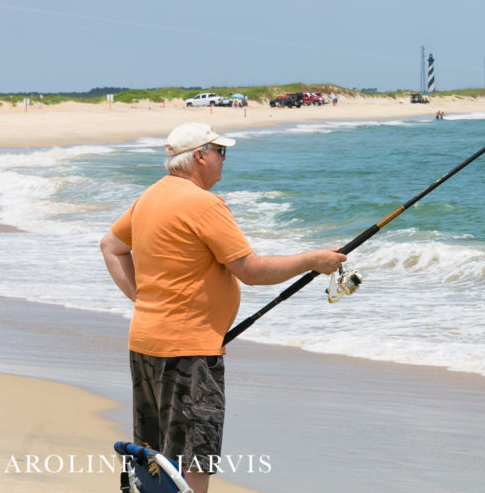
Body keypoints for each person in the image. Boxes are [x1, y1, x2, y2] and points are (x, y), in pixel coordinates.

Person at [100, 123, 346, 493]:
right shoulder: (203, 204)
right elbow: (251, 270)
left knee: (155, 460)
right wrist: (312, 260)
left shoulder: (150, 196)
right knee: (193, 461)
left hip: (146, 342)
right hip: (189, 352)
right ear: (200, 156)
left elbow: (111, 246)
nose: (223, 160)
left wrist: (145, 301)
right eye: (220, 152)